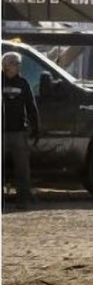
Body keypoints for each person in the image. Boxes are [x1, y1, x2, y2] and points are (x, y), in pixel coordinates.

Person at [2, 52, 39, 210]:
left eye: (18, 63)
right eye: (15, 63)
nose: (18, 66)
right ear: (6, 65)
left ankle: (23, 199)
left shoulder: (23, 83)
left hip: (19, 131)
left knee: (22, 168)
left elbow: (31, 106)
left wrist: (36, 127)